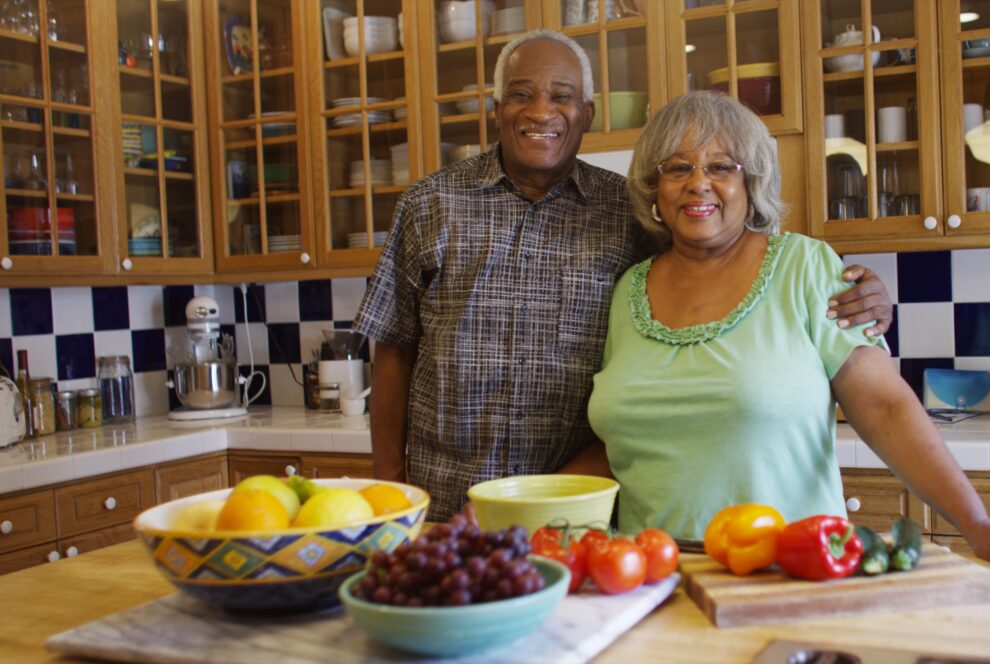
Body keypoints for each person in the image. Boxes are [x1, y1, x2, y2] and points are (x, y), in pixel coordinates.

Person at [354, 30, 893, 522]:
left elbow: (721, 257)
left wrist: (860, 296)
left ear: (587, 112)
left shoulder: (627, 212)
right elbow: (394, 348)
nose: (541, 110)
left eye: (562, 96)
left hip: (579, 508)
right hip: (445, 497)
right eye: (521, 94)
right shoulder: (431, 202)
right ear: (497, 110)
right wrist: (391, 488)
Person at [573, 90, 990, 560]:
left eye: (721, 166)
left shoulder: (806, 266)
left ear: (751, 185)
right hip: (653, 577)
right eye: (678, 167)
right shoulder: (628, 289)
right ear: (655, 189)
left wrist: (976, 523)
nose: (698, 183)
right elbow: (625, 444)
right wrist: (511, 511)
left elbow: (885, 408)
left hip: (792, 569)